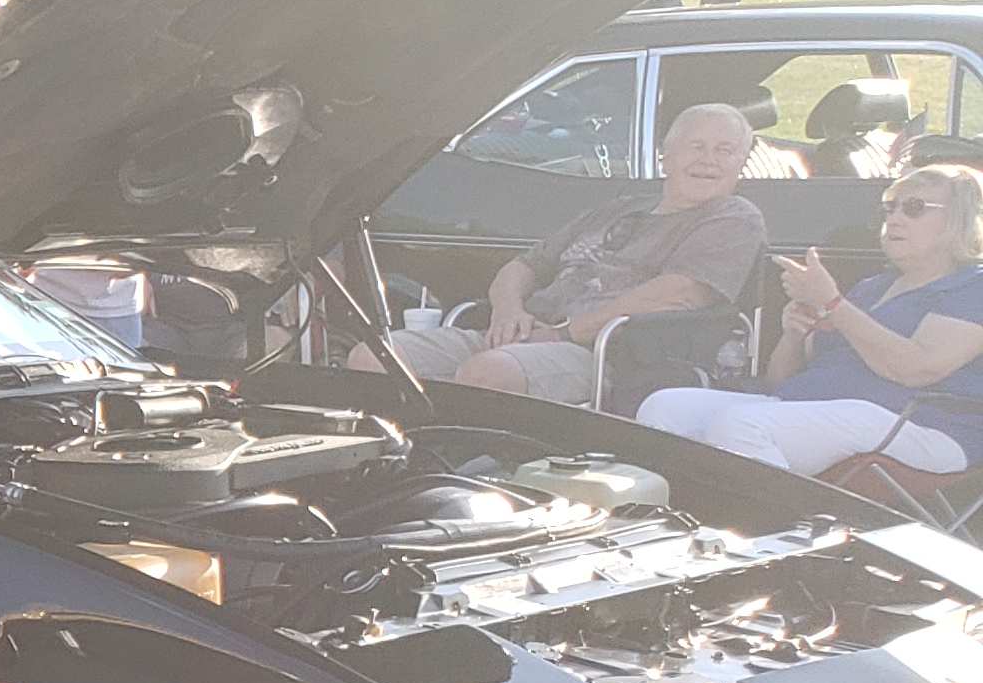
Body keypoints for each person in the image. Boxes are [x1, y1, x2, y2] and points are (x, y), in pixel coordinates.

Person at [354, 102, 766, 405]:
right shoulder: (618, 208)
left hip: (608, 356)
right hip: (525, 336)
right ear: (666, 155)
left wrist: (564, 332)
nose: (708, 161)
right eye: (696, 147)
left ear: (742, 162)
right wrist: (507, 314)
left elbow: (678, 294)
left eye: (725, 150)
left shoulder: (733, 218)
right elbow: (520, 267)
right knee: (372, 357)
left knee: (486, 373)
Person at [636, 163, 983, 478]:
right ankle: (690, 515)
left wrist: (832, 303)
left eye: (915, 208)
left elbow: (917, 369)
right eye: (891, 208)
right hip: (824, 408)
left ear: (963, 220)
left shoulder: (972, 286)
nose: (894, 219)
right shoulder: (871, 288)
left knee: (742, 427)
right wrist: (793, 336)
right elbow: (780, 382)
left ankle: (774, 524)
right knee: (663, 409)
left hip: (925, 426)